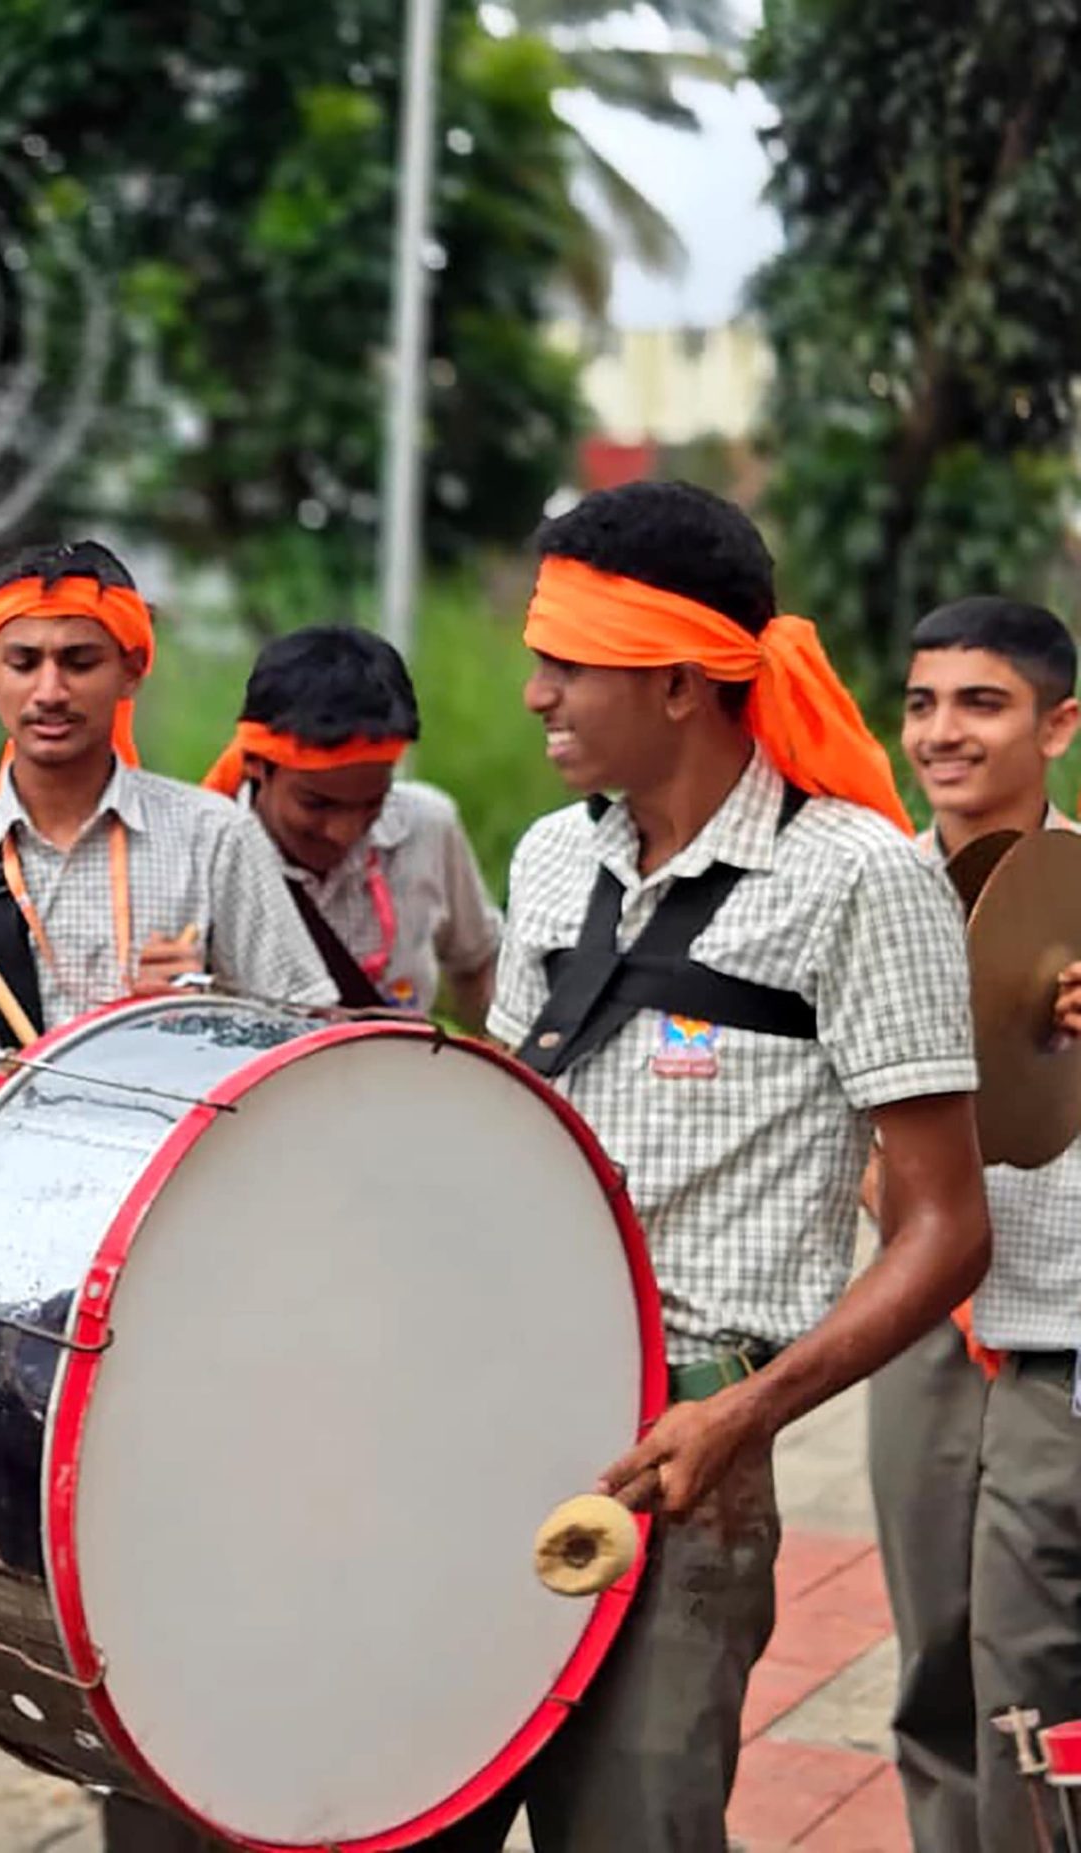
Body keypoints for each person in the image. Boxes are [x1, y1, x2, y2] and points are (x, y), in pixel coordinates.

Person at [448, 481, 992, 1852]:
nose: (534, 695)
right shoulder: (552, 859)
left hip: (685, 1463)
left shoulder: (861, 876)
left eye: (566, 662)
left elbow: (943, 1229)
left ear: (681, 680)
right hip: (488, 1421)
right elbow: (516, 1135)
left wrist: (746, 1417)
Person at [0, 538, 337, 1852]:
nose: (51, 686)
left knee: (144, 1645)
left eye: (80, 659)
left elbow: (307, 1070)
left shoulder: (210, 840)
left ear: (129, 670)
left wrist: (208, 1012)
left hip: (163, 1292)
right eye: (24, 660)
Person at [872, 597, 1081, 1849]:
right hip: (917, 1322)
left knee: (1030, 1675)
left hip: (1059, 1326)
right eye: (920, 702)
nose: (943, 733)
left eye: (981, 702)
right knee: (929, 1669)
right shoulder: (869, 889)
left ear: (1059, 722)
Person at [201, 623, 499, 1022]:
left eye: (372, 803)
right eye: (316, 804)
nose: (344, 832)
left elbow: (480, 963)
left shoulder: (429, 826)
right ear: (256, 765)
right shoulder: (201, 857)